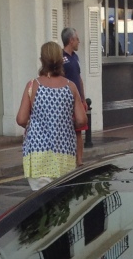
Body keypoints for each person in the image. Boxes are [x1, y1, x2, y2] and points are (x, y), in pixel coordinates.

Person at [17, 41, 86, 191]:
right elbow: (81, 120)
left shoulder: (32, 85)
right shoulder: (71, 86)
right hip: (64, 153)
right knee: (61, 204)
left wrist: (35, 123)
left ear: (42, 60)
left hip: (37, 153)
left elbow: (21, 119)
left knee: (42, 203)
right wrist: (66, 124)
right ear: (61, 60)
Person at [61, 27, 86, 165]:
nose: (79, 41)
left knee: (79, 130)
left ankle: (79, 159)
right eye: (77, 39)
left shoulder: (75, 57)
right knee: (66, 130)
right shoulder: (61, 58)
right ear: (71, 40)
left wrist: (83, 97)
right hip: (66, 101)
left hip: (77, 100)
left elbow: (79, 77)